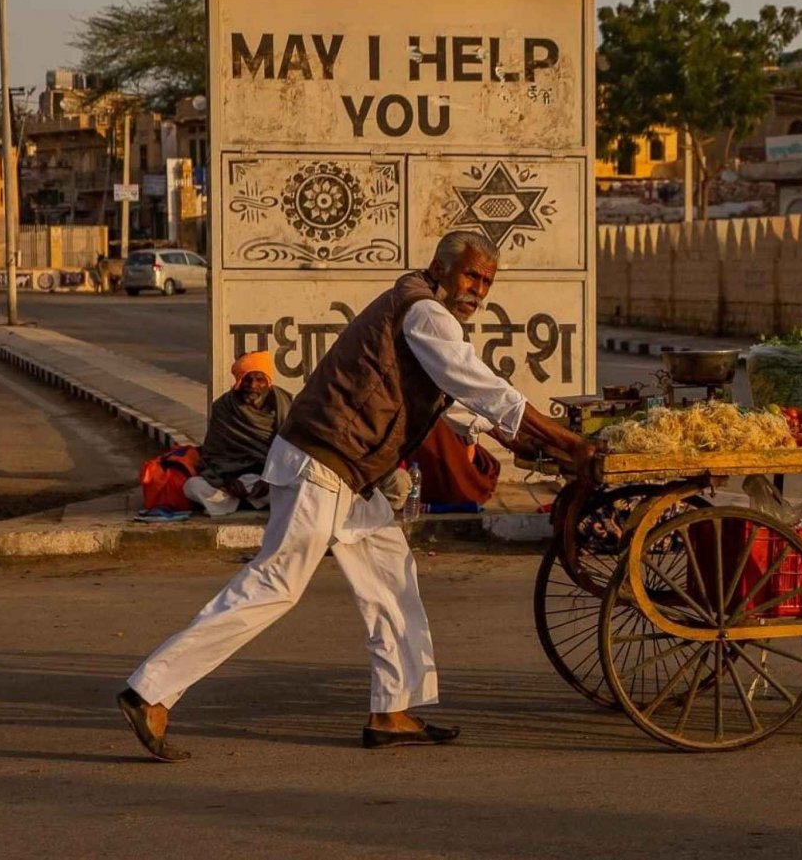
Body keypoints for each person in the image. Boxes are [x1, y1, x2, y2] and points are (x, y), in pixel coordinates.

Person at [117, 230, 595, 759]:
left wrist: (529, 440)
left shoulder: (422, 314)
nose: (479, 289)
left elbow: (462, 407)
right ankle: (151, 690)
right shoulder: (426, 312)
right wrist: (566, 439)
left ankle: (391, 708)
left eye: (487, 281)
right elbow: (481, 386)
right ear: (441, 267)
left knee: (391, 576)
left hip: (348, 473)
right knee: (274, 583)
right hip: (324, 462)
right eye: (472, 276)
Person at [182, 351, 293, 517]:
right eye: (247, 379)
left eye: (259, 379)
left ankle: (235, 504)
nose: (252, 385)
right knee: (191, 486)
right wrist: (228, 479)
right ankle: (246, 502)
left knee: (300, 487)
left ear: (268, 382)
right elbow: (212, 455)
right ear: (239, 381)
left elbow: (294, 452)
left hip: (269, 479)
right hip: (232, 482)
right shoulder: (224, 407)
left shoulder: (286, 405)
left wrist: (270, 479)